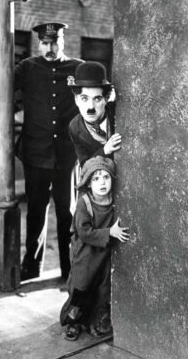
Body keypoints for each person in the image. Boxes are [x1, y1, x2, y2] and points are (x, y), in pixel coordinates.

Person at [14, 22, 84, 281]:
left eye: (55, 43)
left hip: (66, 155)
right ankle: (32, 267)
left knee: (67, 213)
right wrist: (19, 109)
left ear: (63, 42)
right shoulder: (28, 68)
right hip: (36, 152)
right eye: (45, 43)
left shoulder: (78, 68)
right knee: (35, 211)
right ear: (39, 44)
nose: (50, 48)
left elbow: (101, 93)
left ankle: (69, 269)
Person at [60, 156, 130, 341]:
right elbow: (84, 232)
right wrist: (110, 233)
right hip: (84, 254)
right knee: (81, 290)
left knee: (101, 289)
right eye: (96, 178)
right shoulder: (85, 202)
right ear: (89, 184)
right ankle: (73, 323)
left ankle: (96, 322)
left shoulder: (114, 201)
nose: (102, 183)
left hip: (102, 253)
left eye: (106, 177)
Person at [68, 61, 122, 167]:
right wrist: (105, 150)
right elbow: (85, 164)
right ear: (76, 100)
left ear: (106, 99)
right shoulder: (75, 127)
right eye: (84, 98)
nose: (91, 107)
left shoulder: (119, 114)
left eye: (97, 99)